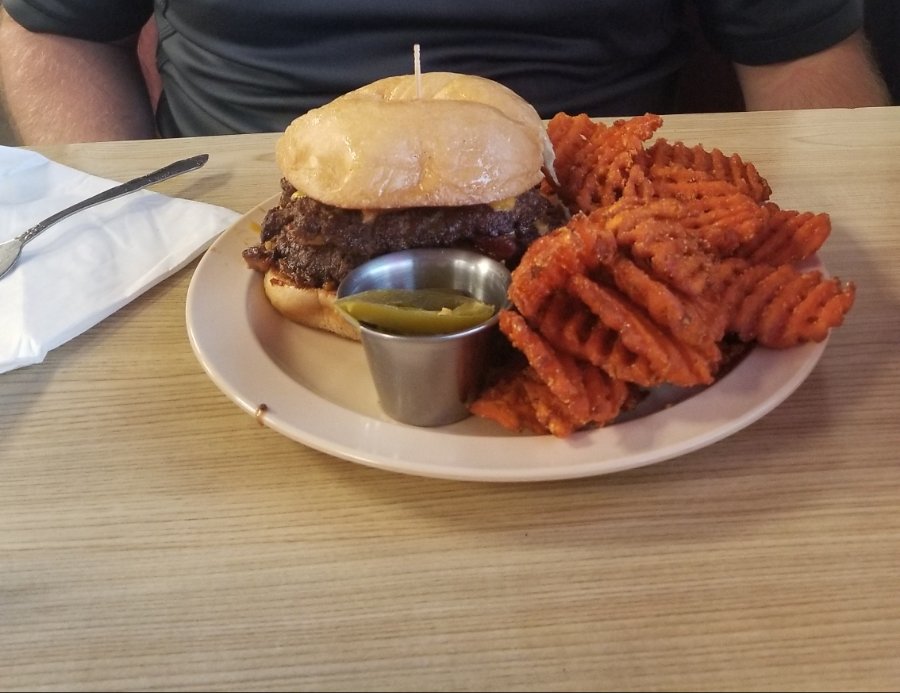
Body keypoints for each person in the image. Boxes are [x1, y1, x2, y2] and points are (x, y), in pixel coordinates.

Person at [0, 0, 891, 145]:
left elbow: (804, 53)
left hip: (597, 226)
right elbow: (50, 32)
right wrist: (120, 241)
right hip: (213, 231)